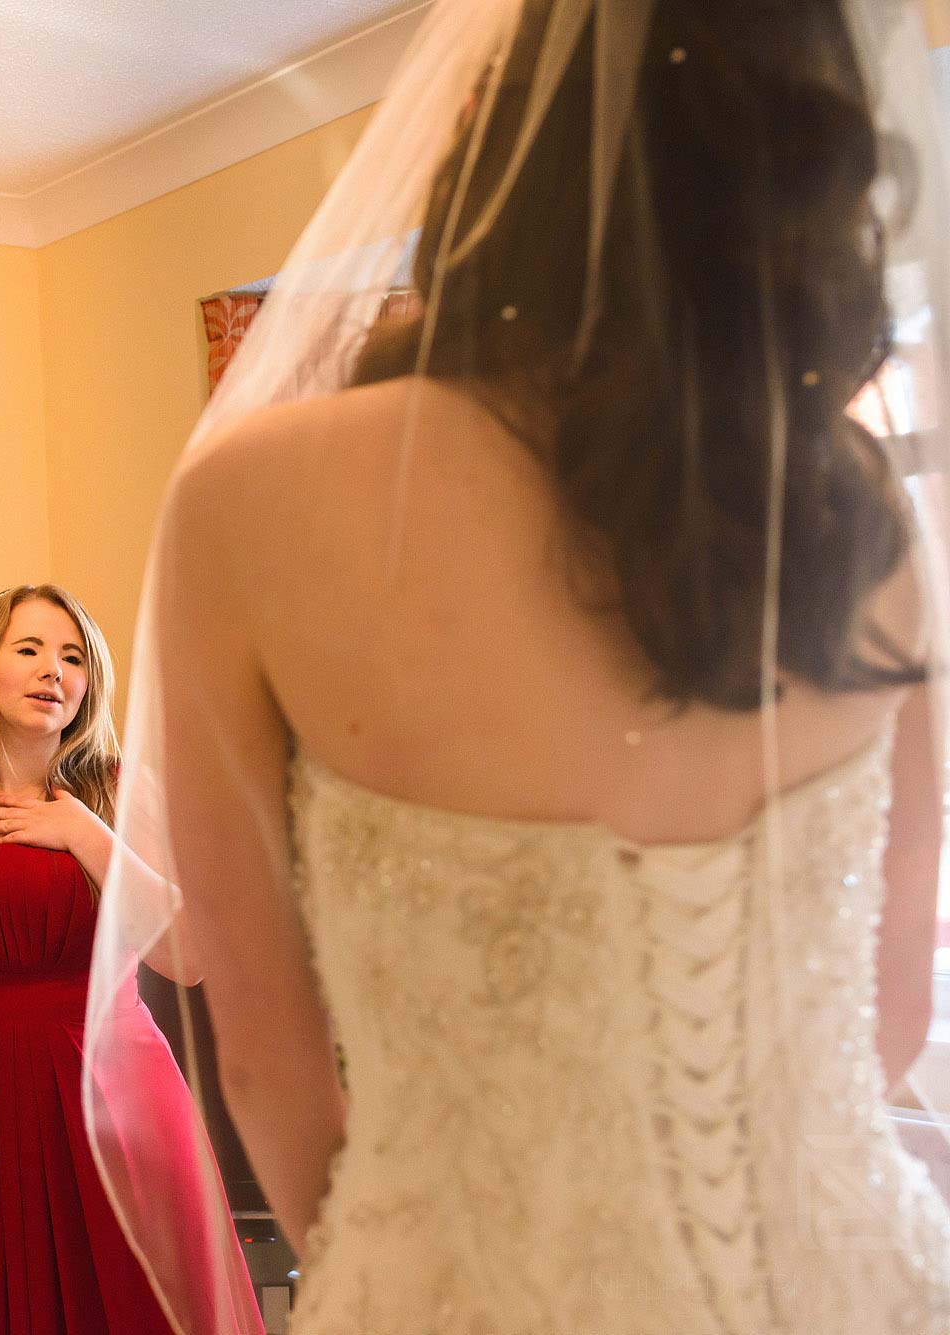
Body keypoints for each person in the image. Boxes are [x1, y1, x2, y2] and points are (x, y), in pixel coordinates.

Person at [84, 1, 950, 1331]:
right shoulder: (867, 522)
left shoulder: (251, 505)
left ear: (491, 144)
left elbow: (260, 1052)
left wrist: (436, 1255)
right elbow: (889, 1006)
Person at [0, 585, 261, 1334]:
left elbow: (188, 960)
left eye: (73, 655)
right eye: (29, 649)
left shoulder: (122, 795)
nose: (53, 668)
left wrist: (84, 832)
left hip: (113, 1099)